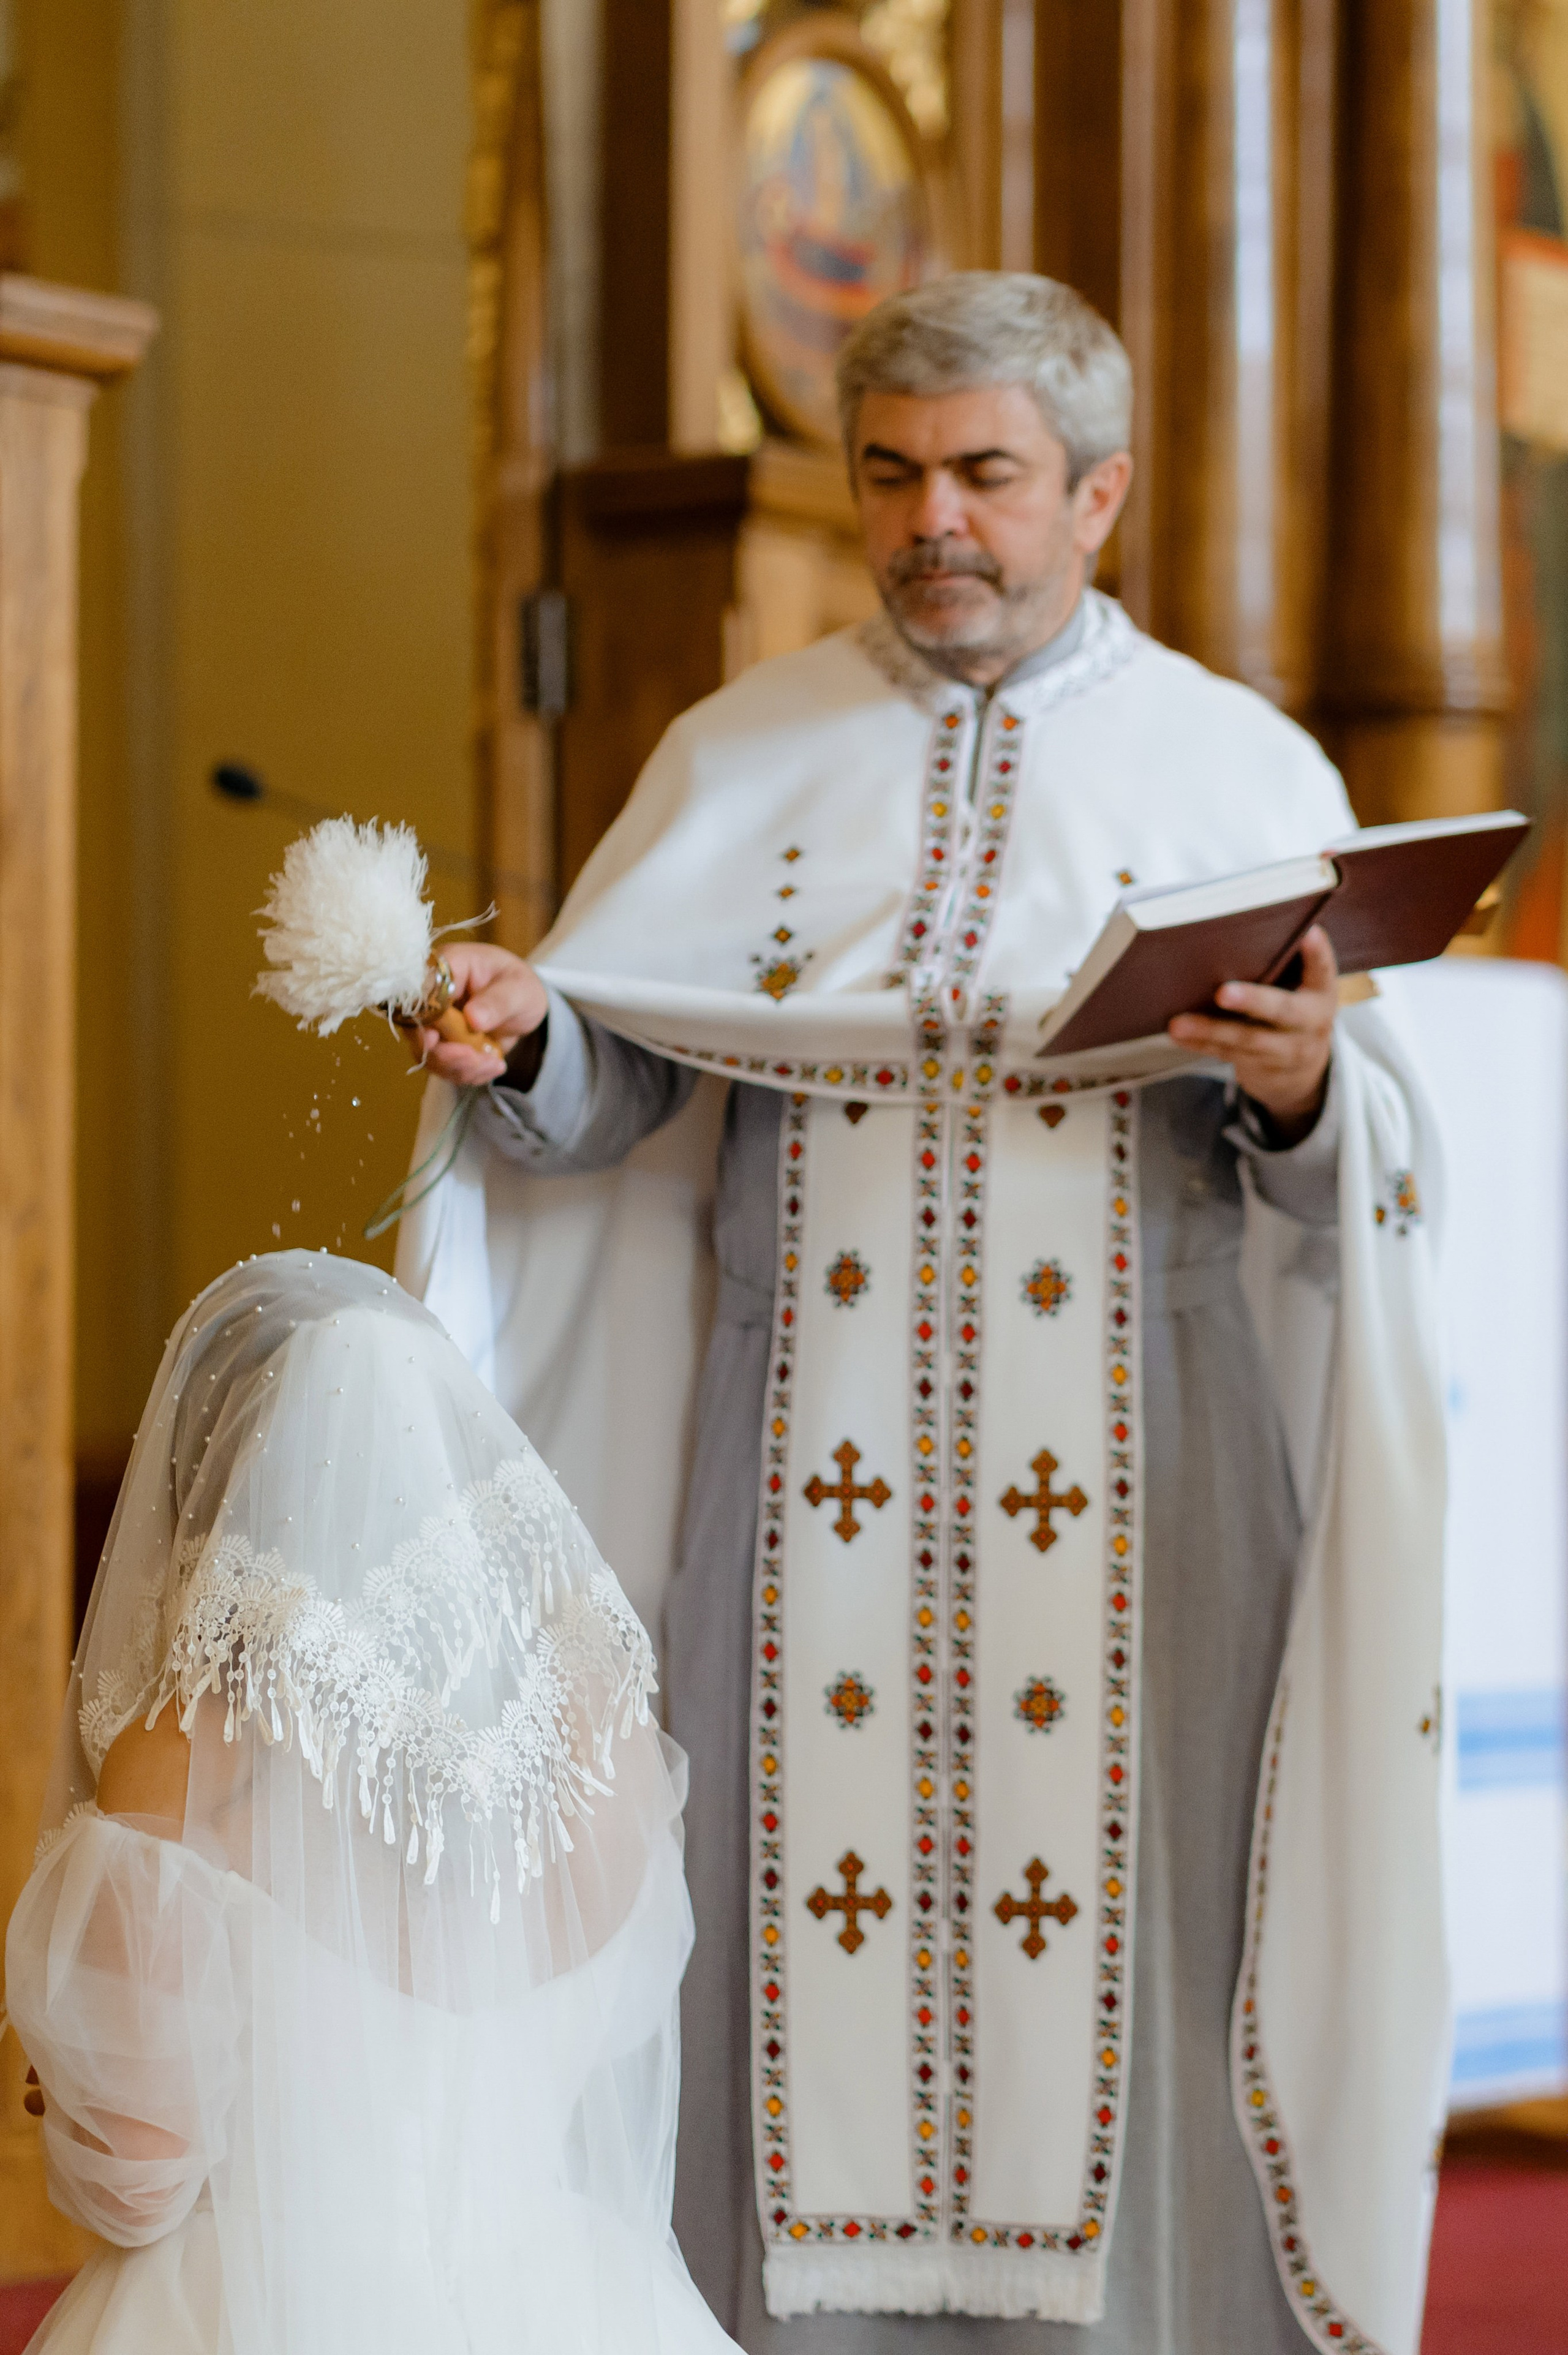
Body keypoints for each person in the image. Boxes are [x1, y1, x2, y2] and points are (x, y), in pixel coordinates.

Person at [396, 274, 1449, 2355]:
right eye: (894, 477)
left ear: (1100, 492)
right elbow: (625, 1089)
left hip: (1157, 1474)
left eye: (985, 475)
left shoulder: (1236, 764)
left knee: (1144, 1929)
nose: (933, 522)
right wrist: (527, 1043)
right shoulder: (740, 752)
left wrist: (1303, 1079)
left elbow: (1367, 1156)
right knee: (780, 1929)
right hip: (803, 1478)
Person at [3, 1250, 740, 2355]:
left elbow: (138, 2179)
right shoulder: (597, 1732)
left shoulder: (192, 1748)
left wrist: (79, 2089)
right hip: (566, 2298)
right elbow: (625, 2058)